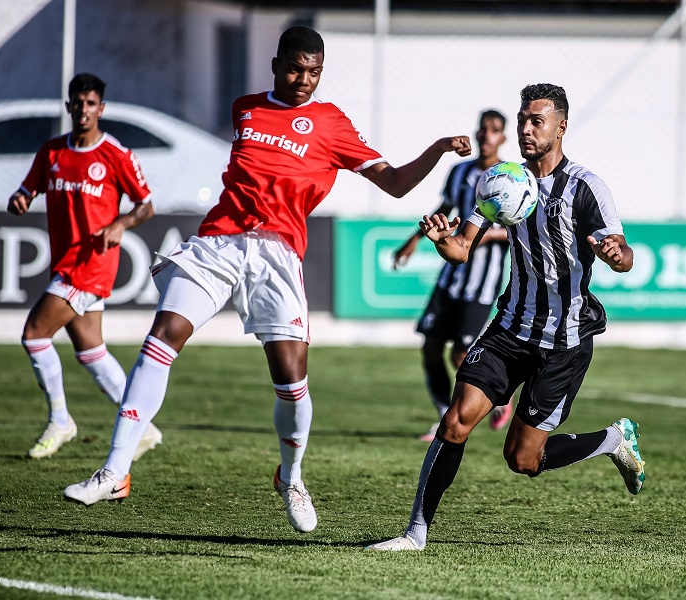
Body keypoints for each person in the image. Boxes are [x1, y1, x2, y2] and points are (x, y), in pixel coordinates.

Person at [63, 26, 471, 534]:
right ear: (276, 64)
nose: (305, 80)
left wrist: (434, 148)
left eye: (315, 72)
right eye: (296, 69)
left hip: (278, 255)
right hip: (220, 241)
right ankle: (115, 470)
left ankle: (292, 475)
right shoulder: (247, 107)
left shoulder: (330, 122)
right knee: (162, 338)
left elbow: (392, 184)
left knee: (292, 383)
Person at [367, 83, 645, 551]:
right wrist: (441, 240)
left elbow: (625, 255)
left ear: (561, 126)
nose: (526, 129)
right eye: (522, 119)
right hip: (510, 328)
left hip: (564, 341)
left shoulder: (585, 187)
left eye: (537, 120)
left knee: (522, 459)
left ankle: (613, 439)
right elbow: (461, 249)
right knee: (455, 422)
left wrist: (617, 254)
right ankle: (415, 534)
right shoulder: (502, 179)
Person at [7, 73, 162, 461]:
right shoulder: (53, 153)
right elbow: (29, 188)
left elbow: (146, 205)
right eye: (78, 103)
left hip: (91, 266)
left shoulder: (116, 155)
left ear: (101, 108)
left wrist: (121, 223)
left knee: (34, 334)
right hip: (65, 261)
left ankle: (61, 420)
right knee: (91, 351)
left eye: (91, 103)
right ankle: (142, 425)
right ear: (69, 107)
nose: (84, 110)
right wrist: (20, 198)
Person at [392, 109, 512, 442]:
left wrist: (483, 235)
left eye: (495, 130)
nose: (487, 135)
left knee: (461, 354)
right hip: (451, 278)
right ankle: (444, 414)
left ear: (503, 138)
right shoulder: (460, 171)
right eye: (483, 129)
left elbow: (517, 228)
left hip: (482, 283)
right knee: (431, 347)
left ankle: (499, 396)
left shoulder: (510, 178)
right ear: (476, 134)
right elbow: (444, 209)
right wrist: (414, 240)